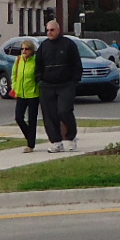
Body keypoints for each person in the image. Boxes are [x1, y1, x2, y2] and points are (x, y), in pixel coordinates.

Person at [34, 19, 82, 153]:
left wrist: (75, 80)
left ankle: (71, 137)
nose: (49, 32)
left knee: (64, 111)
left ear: (58, 30)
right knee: (50, 115)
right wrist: (40, 79)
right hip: (47, 86)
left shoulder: (68, 44)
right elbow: (38, 65)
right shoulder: (44, 46)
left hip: (66, 84)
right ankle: (56, 142)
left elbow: (77, 63)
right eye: (47, 30)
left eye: (52, 30)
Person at [7, 39, 42, 153]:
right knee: (18, 117)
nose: (24, 51)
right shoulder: (18, 60)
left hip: (33, 94)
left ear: (31, 50)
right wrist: (14, 87)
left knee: (32, 119)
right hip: (21, 93)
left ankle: (30, 144)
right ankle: (30, 137)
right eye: (22, 49)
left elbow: (39, 75)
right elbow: (14, 75)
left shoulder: (36, 60)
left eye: (26, 49)